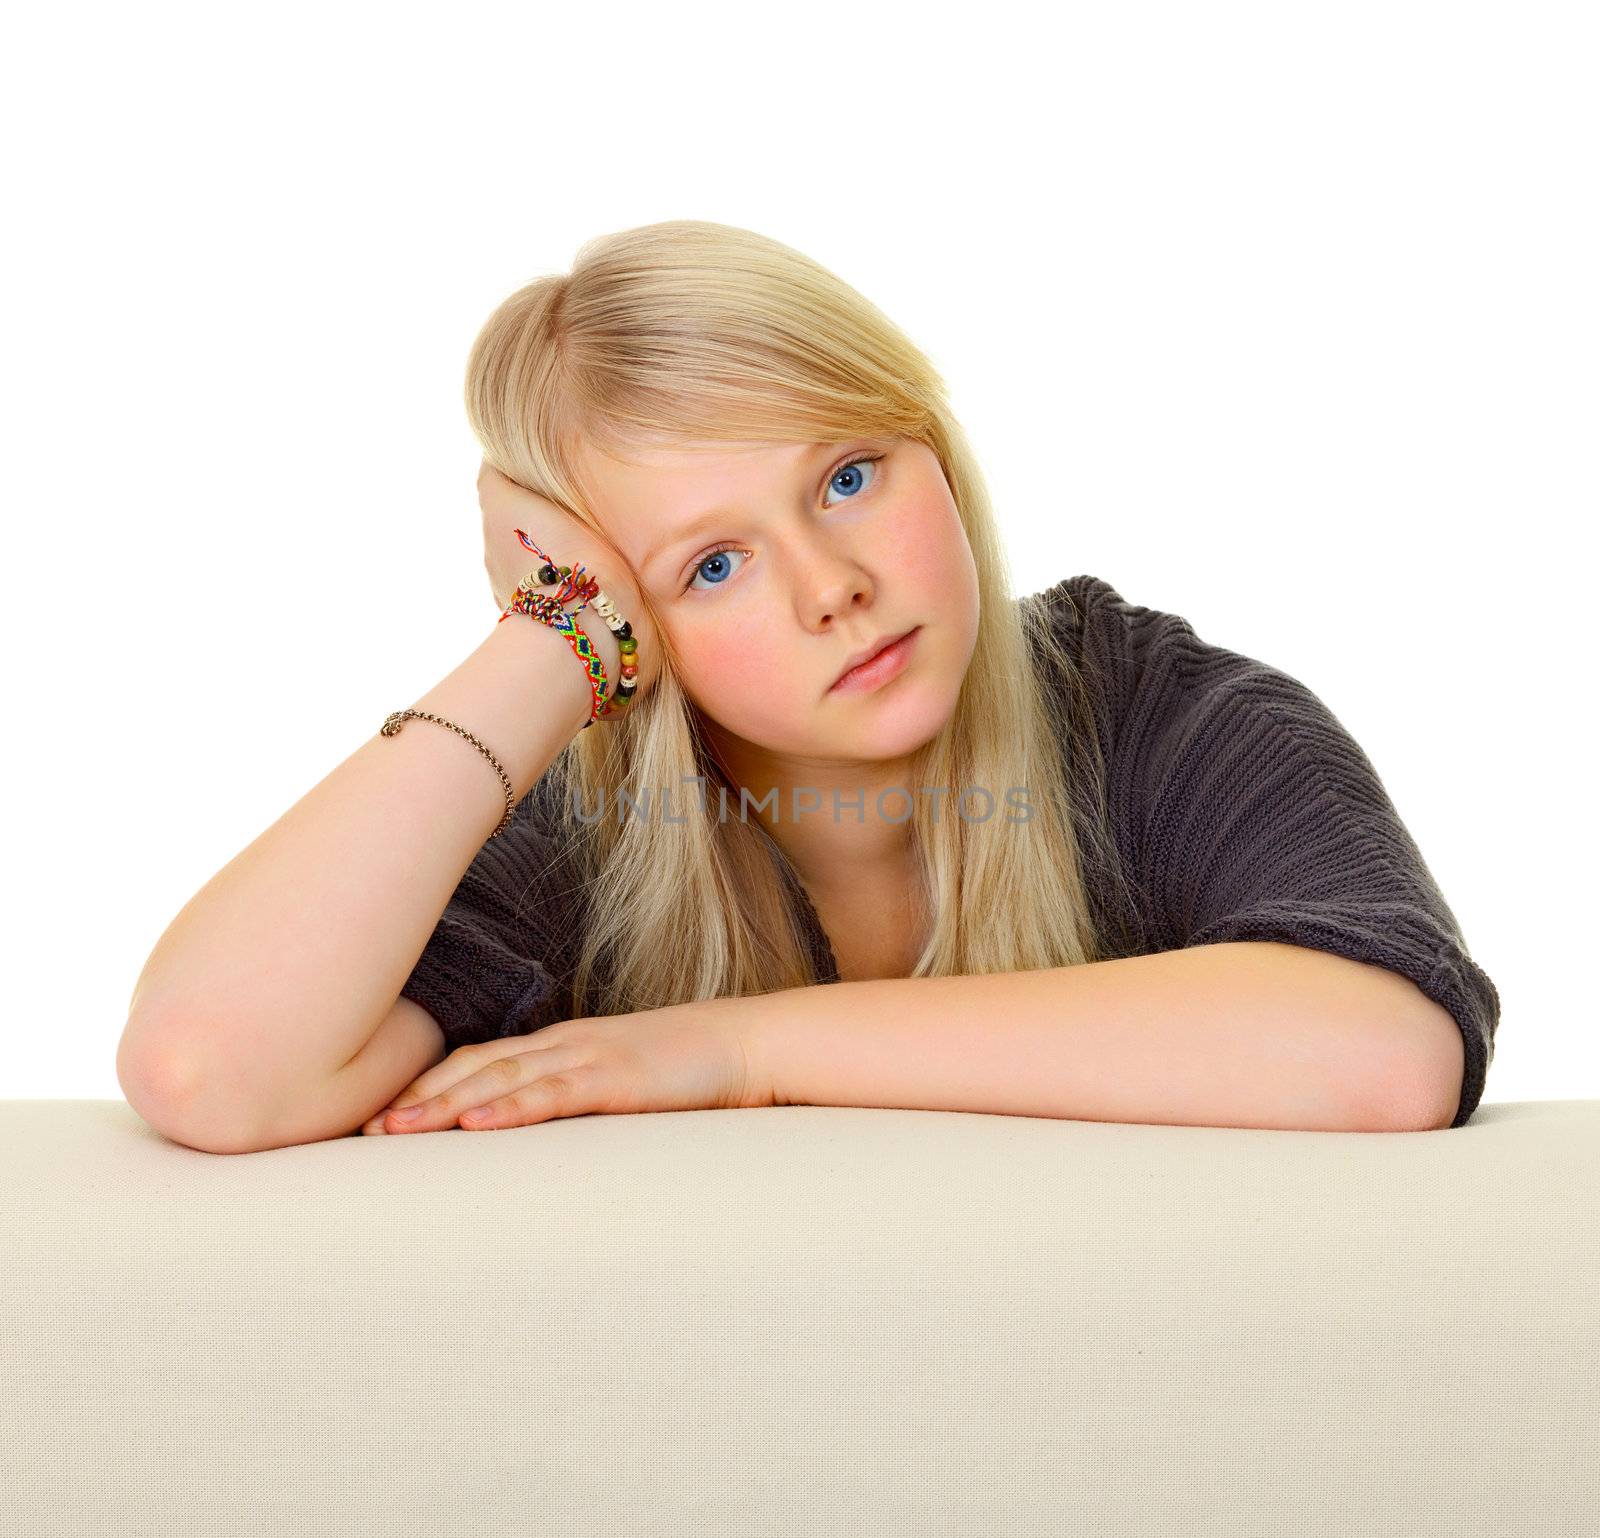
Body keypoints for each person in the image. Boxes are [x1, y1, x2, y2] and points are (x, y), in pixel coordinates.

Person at [118, 219, 1498, 1154]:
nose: (828, 584)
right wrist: (550, 642)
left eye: (848, 477)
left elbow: (1382, 1055)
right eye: (711, 565)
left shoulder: (1156, 711)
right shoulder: (594, 842)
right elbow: (209, 1068)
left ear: (933, 451)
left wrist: (737, 1051)